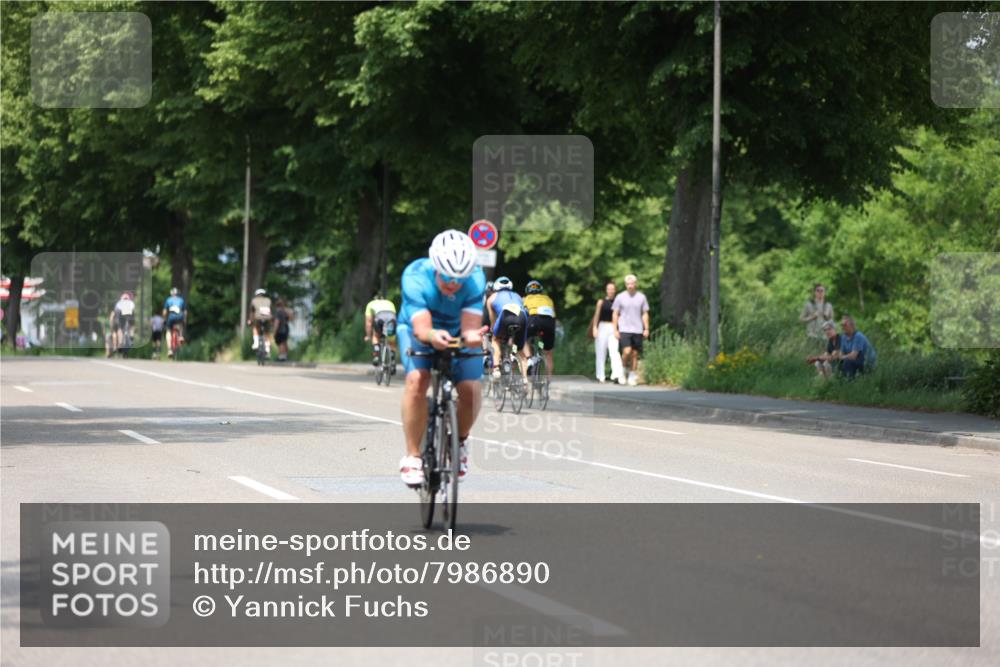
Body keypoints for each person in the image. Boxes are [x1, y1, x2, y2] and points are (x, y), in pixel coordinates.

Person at [397, 230, 486, 486]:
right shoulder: (415, 276)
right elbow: (422, 328)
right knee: (417, 380)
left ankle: (459, 441)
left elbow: (470, 326)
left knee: (471, 389)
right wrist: (433, 335)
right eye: (447, 276)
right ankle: (413, 457)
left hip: (456, 330)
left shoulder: (475, 280)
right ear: (435, 267)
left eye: (460, 278)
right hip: (418, 328)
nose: (454, 283)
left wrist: (472, 337)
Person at [486, 276, 528, 382]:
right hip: (522, 317)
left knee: (495, 340)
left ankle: (496, 369)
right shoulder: (517, 296)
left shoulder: (492, 297)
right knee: (519, 349)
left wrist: (493, 331)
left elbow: (492, 320)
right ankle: (525, 379)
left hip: (505, 316)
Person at [612, 274, 650, 386]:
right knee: (626, 351)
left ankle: (632, 375)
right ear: (625, 285)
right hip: (624, 328)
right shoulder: (620, 297)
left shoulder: (641, 297)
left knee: (634, 353)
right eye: (628, 284)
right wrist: (615, 329)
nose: (630, 286)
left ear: (635, 284)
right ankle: (623, 371)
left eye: (632, 284)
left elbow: (645, 313)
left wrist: (646, 328)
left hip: (637, 329)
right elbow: (615, 313)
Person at [591, 281, 625, 384]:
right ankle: (600, 375)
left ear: (615, 290)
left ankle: (617, 375)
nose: (610, 291)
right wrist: (594, 328)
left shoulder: (618, 302)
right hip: (602, 326)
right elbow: (596, 315)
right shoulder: (601, 302)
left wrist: (618, 329)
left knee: (614, 351)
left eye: (612, 289)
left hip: (613, 327)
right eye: (608, 289)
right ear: (606, 290)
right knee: (600, 352)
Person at [523, 279, 556, 380]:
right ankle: (548, 379)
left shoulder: (525, 299)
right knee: (548, 353)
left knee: (522, 338)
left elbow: (523, 315)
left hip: (534, 320)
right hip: (549, 322)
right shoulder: (548, 299)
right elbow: (554, 314)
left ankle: (529, 360)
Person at [364, 294, 397, 366]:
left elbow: (368, 323)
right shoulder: (390, 303)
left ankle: (376, 355)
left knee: (376, 336)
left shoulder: (370, 304)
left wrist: (368, 336)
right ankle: (392, 358)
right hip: (391, 318)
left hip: (380, 317)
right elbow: (394, 316)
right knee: (391, 340)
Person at [162, 287, 187, 357]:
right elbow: (185, 312)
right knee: (181, 324)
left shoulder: (168, 300)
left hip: (171, 316)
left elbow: (164, 312)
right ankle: (181, 336)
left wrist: (164, 319)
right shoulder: (181, 300)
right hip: (180, 316)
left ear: (171, 293)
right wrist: (185, 319)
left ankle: (170, 350)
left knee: (168, 331)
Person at [248, 288, 273, 355]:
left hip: (258, 317)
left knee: (255, 327)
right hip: (267, 318)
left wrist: (250, 320)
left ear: (256, 295)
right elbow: (270, 310)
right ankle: (267, 347)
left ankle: (256, 343)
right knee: (267, 331)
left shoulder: (254, 300)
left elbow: (252, 312)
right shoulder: (268, 300)